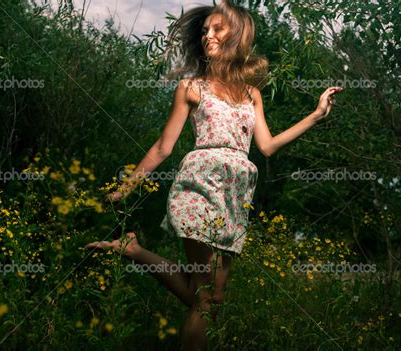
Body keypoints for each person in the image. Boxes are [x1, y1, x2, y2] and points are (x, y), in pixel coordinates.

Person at [87, 1, 342, 350]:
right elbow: (163, 147)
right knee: (206, 298)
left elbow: (266, 146)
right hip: (198, 186)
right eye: (205, 29)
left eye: (217, 28)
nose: (208, 34)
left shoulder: (252, 94)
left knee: (210, 298)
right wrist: (124, 188)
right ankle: (133, 251)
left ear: (236, 34)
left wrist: (315, 115)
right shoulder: (191, 88)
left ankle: (133, 250)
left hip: (236, 195)